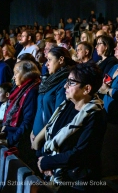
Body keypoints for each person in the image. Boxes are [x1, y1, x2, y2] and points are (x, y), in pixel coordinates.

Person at [34, 63, 106, 192]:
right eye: (67, 81)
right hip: (55, 170)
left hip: (77, 180)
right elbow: (51, 134)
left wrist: (48, 162)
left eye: (71, 83)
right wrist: (47, 160)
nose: (65, 86)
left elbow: (80, 154)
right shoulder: (67, 105)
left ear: (87, 89)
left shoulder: (95, 115)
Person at [31, 47, 76, 152]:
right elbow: (40, 109)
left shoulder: (64, 82)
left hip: (48, 139)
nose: (46, 64)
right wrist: (33, 131)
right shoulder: (50, 80)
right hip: (38, 138)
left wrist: (39, 138)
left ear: (61, 60)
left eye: (50, 60)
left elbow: (58, 115)